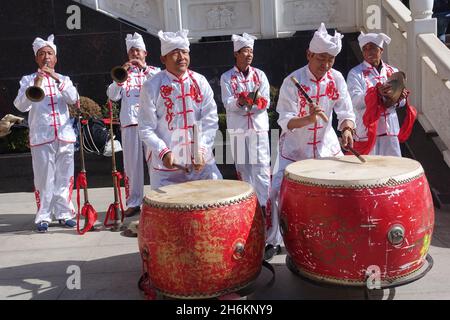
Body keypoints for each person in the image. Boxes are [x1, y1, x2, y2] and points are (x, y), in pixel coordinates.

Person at [267, 23, 356, 260]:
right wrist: (309, 118)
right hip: (295, 150)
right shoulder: (292, 81)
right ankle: (274, 240)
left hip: (327, 149)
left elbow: (346, 111)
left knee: (341, 193)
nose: (325, 65)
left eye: (330, 59)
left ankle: (336, 237)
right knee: (275, 192)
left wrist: (347, 129)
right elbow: (284, 121)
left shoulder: (336, 79)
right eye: (321, 59)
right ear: (309, 54)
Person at [138, 29, 222, 189]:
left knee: (216, 204)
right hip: (167, 169)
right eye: (175, 53)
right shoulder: (151, 86)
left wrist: (202, 150)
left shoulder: (200, 81)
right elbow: (146, 128)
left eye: (185, 52)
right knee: (168, 212)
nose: (182, 57)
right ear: (163, 58)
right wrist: (162, 151)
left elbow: (210, 121)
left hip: (201, 165)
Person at [14, 35, 79, 233]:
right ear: (36, 58)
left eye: (49, 53)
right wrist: (37, 81)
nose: (46, 57)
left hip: (64, 134)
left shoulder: (65, 79)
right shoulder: (27, 80)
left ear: (55, 58)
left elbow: (73, 99)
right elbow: (20, 105)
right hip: (41, 136)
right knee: (44, 178)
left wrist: (56, 79)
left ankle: (64, 213)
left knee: (64, 176)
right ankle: (43, 215)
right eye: (41, 54)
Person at [107, 32, 160, 217]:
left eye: (138, 51)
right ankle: (134, 201)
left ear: (145, 53)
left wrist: (143, 69)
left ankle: (158, 200)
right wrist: (121, 76)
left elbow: (160, 87)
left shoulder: (154, 71)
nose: (135, 54)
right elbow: (112, 96)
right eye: (132, 51)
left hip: (151, 125)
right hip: (130, 125)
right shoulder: (123, 74)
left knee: (156, 163)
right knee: (131, 166)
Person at [220, 33, 271, 217]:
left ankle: (265, 205)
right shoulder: (227, 77)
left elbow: (266, 101)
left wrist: (252, 104)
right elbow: (228, 102)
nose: (249, 55)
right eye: (244, 51)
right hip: (238, 129)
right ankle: (248, 205)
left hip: (258, 128)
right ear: (236, 53)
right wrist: (240, 103)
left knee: (262, 166)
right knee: (243, 167)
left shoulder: (260, 75)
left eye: (251, 51)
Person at [347, 32, 411, 157]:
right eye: (365, 49)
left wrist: (400, 98)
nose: (368, 52)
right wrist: (376, 93)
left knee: (393, 168)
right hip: (367, 130)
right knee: (370, 170)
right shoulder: (355, 73)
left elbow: (400, 103)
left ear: (381, 50)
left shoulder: (393, 71)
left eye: (372, 48)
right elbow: (354, 101)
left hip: (390, 130)